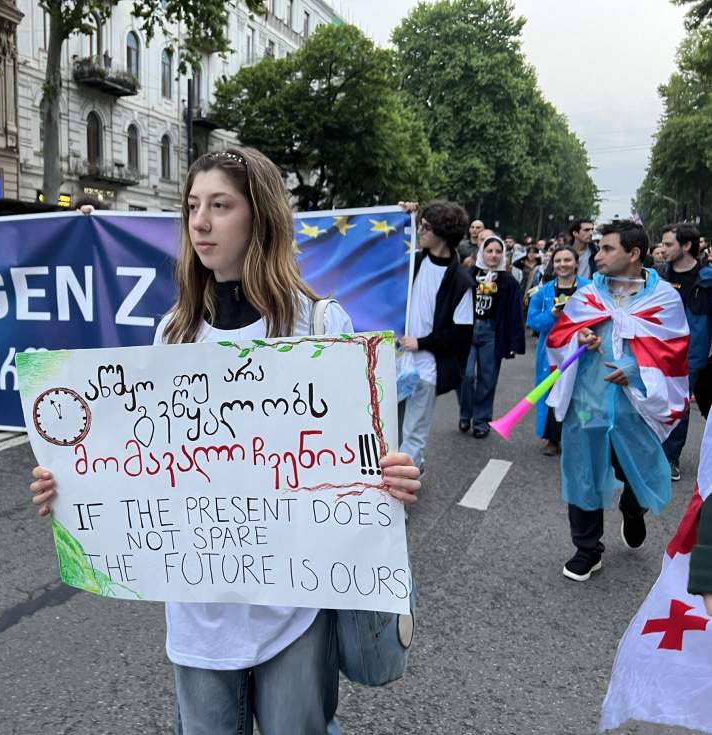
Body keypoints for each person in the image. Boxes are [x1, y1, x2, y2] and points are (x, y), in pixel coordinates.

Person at [28, 147, 422, 735]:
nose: (201, 223)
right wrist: (70, 482)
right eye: (192, 207)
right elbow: (143, 456)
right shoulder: (173, 330)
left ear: (259, 217)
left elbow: (359, 454)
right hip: (200, 608)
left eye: (220, 205)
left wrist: (392, 475)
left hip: (294, 600)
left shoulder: (316, 325)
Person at [545, 221, 689, 582]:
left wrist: (635, 371)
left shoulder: (664, 299)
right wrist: (579, 337)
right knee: (583, 471)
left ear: (634, 253)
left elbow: (672, 354)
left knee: (638, 469)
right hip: (587, 402)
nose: (598, 255)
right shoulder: (587, 295)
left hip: (635, 409)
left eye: (608, 248)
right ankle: (587, 549)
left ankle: (633, 505)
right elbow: (560, 335)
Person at [399, 200, 474, 470]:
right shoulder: (412, 263)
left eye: (426, 226)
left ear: (442, 233)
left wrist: (422, 343)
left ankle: (399, 502)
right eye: (420, 224)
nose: (421, 230)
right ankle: (409, 469)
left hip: (427, 369)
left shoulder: (461, 282)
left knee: (413, 434)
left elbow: (461, 334)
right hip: (395, 363)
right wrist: (402, 216)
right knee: (390, 430)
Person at [657, 222, 712, 482]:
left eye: (668, 244)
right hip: (654, 350)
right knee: (650, 399)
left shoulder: (708, 280)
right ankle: (647, 451)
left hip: (691, 356)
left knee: (679, 407)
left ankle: (670, 457)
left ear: (686, 246)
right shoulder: (657, 276)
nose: (662, 248)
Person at [458, 235, 525, 438]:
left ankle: (481, 421)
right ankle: (465, 413)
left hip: (493, 333)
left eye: (498, 251)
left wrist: (514, 342)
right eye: (489, 251)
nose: (493, 255)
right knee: (466, 375)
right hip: (468, 330)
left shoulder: (508, 281)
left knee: (487, 379)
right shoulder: (468, 274)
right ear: (482, 253)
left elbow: (515, 313)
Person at [526, 246, 590, 455]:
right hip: (551, 353)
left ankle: (582, 436)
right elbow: (533, 322)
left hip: (581, 350)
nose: (563, 265)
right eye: (558, 261)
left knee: (580, 393)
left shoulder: (589, 289)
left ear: (576, 263)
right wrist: (552, 315)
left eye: (567, 260)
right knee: (553, 392)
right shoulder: (542, 292)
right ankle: (553, 439)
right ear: (553, 264)